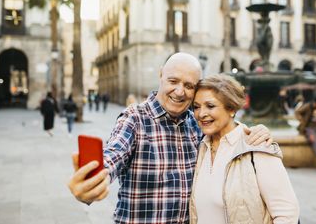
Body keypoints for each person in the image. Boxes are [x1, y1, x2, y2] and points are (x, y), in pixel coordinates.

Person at [67, 52, 274, 223]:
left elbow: (228, 128)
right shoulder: (134, 119)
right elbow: (114, 154)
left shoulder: (197, 123)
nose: (180, 91)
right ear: (161, 77)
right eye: (173, 81)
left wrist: (256, 131)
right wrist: (93, 181)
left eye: (189, 85)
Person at [189, 74, 299, 223]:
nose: (201, 114)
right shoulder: (202, 146)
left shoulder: (257, 145)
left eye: (210, 106)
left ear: (231, 109)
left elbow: (287, 214)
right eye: (196, 107)